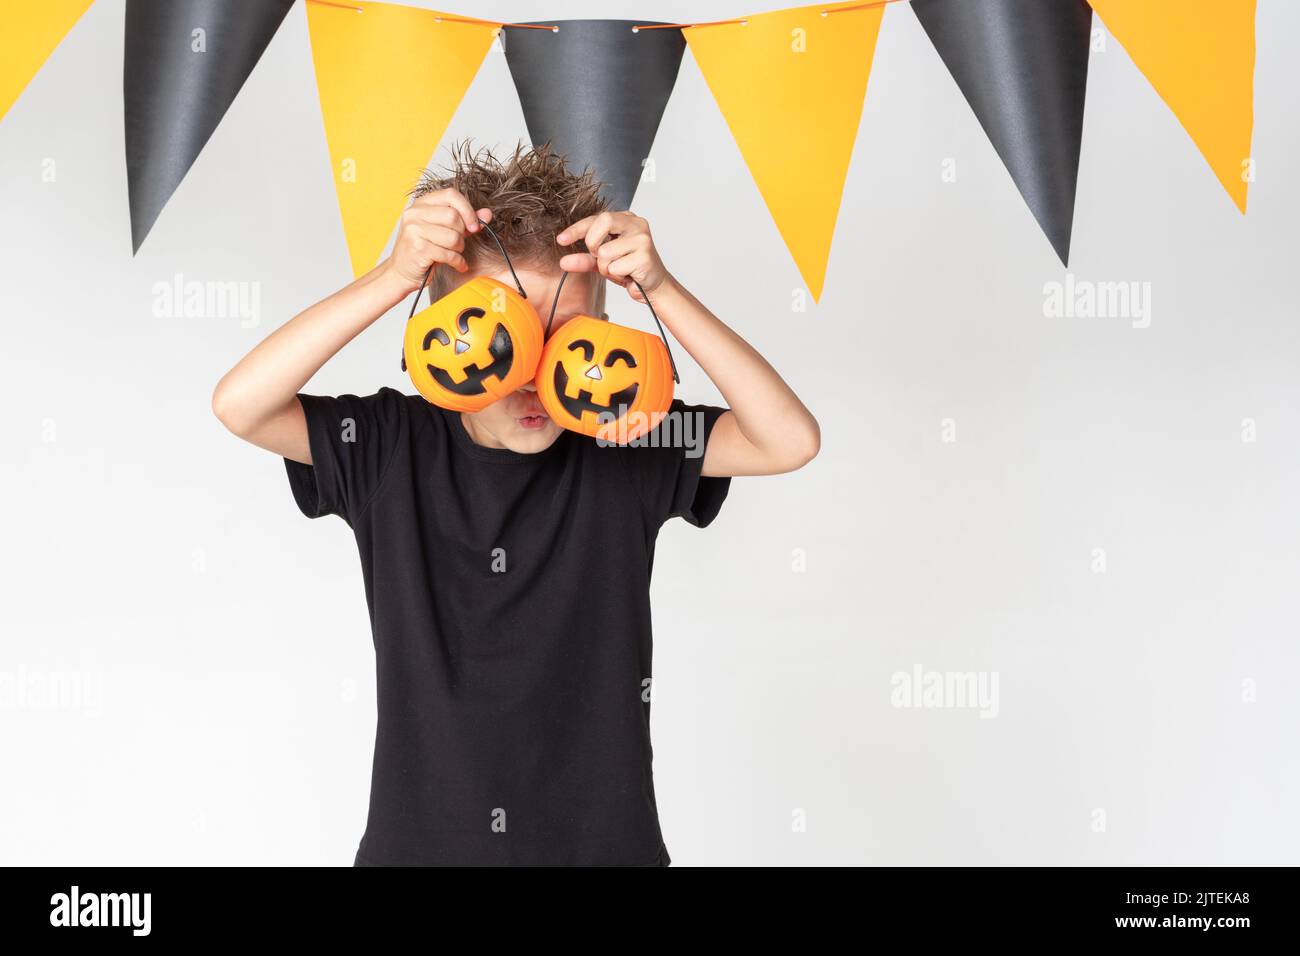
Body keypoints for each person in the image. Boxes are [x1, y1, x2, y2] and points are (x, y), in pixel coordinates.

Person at [212, 143, 820, 866]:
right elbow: (241, 405)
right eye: (504, 339)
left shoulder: (627, 441)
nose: (532, 380)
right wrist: (393, 277)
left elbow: (789, 441)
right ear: (441, 336)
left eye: (565, 341)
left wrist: (662, 289)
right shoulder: (383, 446)